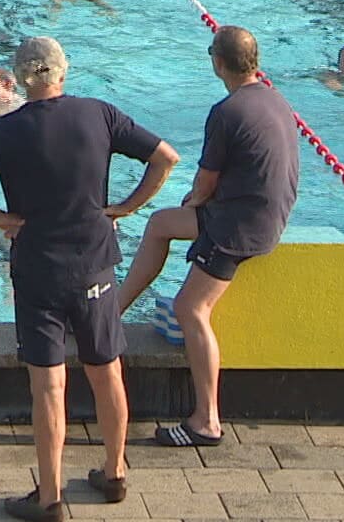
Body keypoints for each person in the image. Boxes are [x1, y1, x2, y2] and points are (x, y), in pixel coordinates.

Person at [0, 37, 181, 522]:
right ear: (62, 73)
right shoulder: (99, 114)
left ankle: (49, 498)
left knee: (48, 388)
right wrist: (130, 207)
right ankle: (114, 475)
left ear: (21, 80)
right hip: (94, 265)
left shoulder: (5, 132)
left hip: (38, 270)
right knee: (106, 368)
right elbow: (166, 158)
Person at [113, 26, 300, 449]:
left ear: (217, 62)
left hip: (240, 226)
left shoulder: (227, 111)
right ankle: (116, 309)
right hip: (267, 214)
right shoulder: (276, 99)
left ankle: (205, 420)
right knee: (160, 223)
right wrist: (197, 204)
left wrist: (195, 201)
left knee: (190, 308)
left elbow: (205, 182)